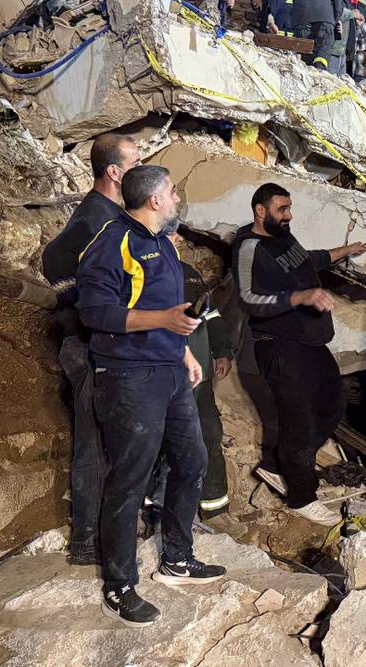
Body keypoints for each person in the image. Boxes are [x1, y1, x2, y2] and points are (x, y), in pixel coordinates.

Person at [77, 165, 226, 627]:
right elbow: (95, 311)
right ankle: (119, 585)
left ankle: (177, 558)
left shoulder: (162, 241)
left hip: (169, 373)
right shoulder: (112, 241)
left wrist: (183, 353)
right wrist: (164, 322)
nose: (178, 197)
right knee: (129, 478)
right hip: (129, 376)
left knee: (192, 460)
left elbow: (166, 308)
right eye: (173, 191)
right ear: (155, 200)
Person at [231, 183, 366, 525]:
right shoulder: (249, 247)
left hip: (309, 341)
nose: (289, 215)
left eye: (289, 208)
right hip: (278, 345)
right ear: (260, 210)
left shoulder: (283, 237)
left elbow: (305, 260)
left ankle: (277, 467)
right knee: (299, 421)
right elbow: (248, 298)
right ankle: (301, 497)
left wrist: (344, 250)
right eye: (282, 209)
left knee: (333, 403)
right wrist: (300, 298)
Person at [41, 133, 141, 566]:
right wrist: (78, 309)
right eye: (136, 163)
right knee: (95, 443)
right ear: (115, 172)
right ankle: (86, 540)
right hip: (90, 346)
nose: (140, 170)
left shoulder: (106, 216)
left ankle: (106, 531)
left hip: (99, 343)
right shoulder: (97, 221)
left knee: (111, 440)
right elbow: (55, 260)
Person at [177, 237, 233, 518]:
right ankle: (157, 514)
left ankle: (214, 508)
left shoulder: (189, 275)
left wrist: (223, 351)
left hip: (200, 380)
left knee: (209, 436)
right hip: (165, 381)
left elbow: (211, 316)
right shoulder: (137, 275)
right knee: (164, 445)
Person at [292, 0, 343, 70]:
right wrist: (338, 19)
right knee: (323, 49)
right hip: (324, 15)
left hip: (301, 13)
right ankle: (319, 70)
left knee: (304, 50)